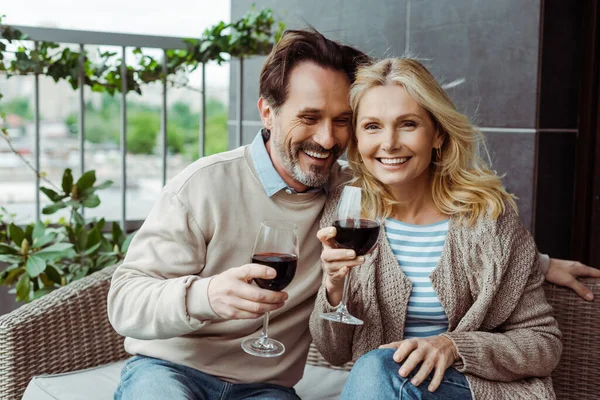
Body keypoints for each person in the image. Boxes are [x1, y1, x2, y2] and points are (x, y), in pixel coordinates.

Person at [107, 28, 597, 400]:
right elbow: (124, 301)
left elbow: (467, 240)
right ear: (267, 112)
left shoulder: (351, 197)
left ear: (437, 134)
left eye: (341, 121)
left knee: (373, 371)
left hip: (273, 386)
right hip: (170, 369)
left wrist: (538, 262)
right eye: (309, 117)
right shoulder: (210, 186)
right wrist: (209, 294)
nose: (326, 138)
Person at [309, 57, 565, 399]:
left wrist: (452, 346)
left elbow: (543, 344)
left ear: (438, 135)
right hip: (384, 388)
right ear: (356, 138)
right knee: (378, 370)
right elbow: (334, 352)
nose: (389, 143)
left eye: (408, 124)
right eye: (372, 126)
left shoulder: (487, 219)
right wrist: (334, 288)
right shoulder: (347, 214)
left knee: (376, 369)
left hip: (472, 389)